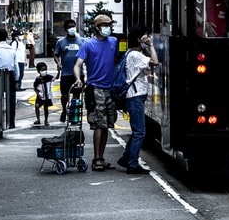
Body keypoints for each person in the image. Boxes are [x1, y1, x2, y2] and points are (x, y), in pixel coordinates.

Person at [73, 13, 118, 171]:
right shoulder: (88, 44)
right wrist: (78, 79)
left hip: (110, 89)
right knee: (99, 124)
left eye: (109, 25)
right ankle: (97, 158)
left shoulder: (114, 41)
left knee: (106, 125)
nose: (108, 28)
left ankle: (101, 157)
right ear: (97, 28)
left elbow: (118, 61)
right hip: (95, 88)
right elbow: (77, 64)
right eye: (104, 26)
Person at [117, 24, 159, 174]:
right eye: (146, 35)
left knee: (137, 131)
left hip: (134, 97)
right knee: (140, 132)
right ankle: (132, 164)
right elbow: (155, 61)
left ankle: (126, 157)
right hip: (134, 97)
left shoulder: (133, 53)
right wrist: (151, 45)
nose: (148, 37)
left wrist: (145, 45)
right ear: (138, 38)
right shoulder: (135, 55)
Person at [53, 19, 85, 122]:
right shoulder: (61, 42)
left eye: (73, 26)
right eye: (70, 27)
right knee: (64, 95)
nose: (72, 29)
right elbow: (56, 55)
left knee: (76, 95)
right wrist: (58, 63)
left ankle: (74, 115)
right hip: (66, 73)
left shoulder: (82, 41)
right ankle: (64, 110)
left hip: (78, 75)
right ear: (66, 29)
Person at [32, 61, 54, 126]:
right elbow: (35, 87)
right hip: (40, 95)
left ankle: (46, 120)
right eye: (42, 70)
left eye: (45, 69)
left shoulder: (48, 77)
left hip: (47, 96)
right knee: (37, 106)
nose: (44, 71)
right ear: (38, 71)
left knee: (46, 108)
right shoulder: (37, 79)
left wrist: (58, 71)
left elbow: (55, 78)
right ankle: (38, 119)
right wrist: (38, 95)